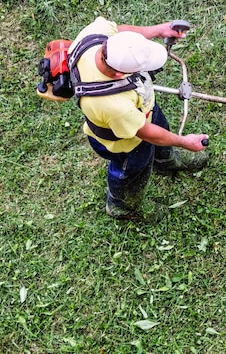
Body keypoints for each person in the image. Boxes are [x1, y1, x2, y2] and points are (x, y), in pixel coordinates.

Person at [68, 16, 209, 222]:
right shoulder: (113, 105)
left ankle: (165, 160)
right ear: (118, 74)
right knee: (131, 171)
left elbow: (120, 30)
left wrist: (158, 29)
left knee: (160, 126)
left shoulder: (95, 36)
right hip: (126, 142)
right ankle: (122, 205)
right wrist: (185, 142)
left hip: (143, 110)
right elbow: (147, 132)